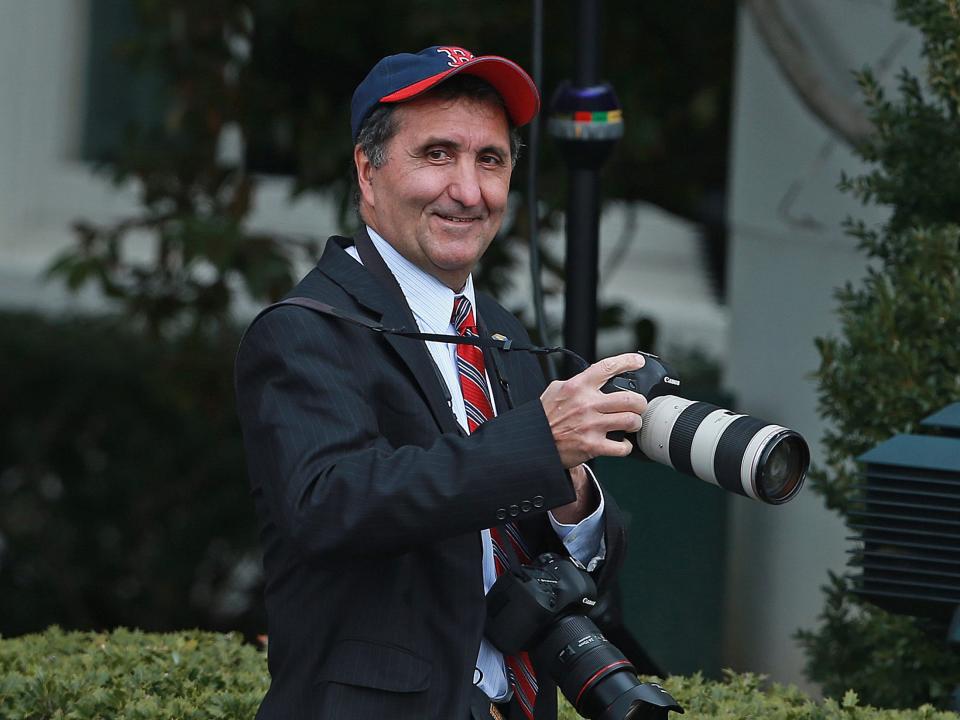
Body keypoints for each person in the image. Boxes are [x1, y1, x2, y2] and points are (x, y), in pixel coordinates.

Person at [235, 45, 648, 720]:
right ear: (367, 172)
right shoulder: (303, 331)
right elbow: (330, 503)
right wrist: (534, 448)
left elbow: (535, 552)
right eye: (437, 154)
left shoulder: (506, 333)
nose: (468, 190)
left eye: (491, 160)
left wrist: (572, 501)